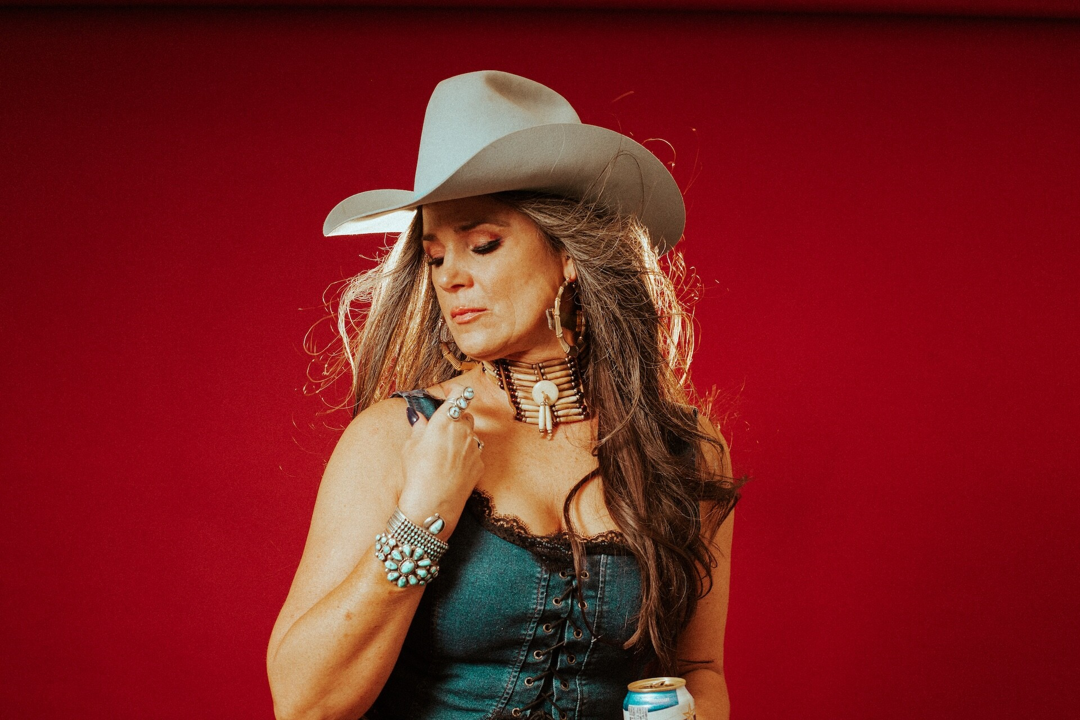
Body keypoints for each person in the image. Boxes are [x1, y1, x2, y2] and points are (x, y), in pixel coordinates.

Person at [267, 70, 741, 720]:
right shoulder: (397, 437)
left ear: (568, 255)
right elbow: (304, 705)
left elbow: (698, 670)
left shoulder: (684, 448)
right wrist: (424, 519)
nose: (452, 276)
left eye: (483, 244)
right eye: (434, 257)